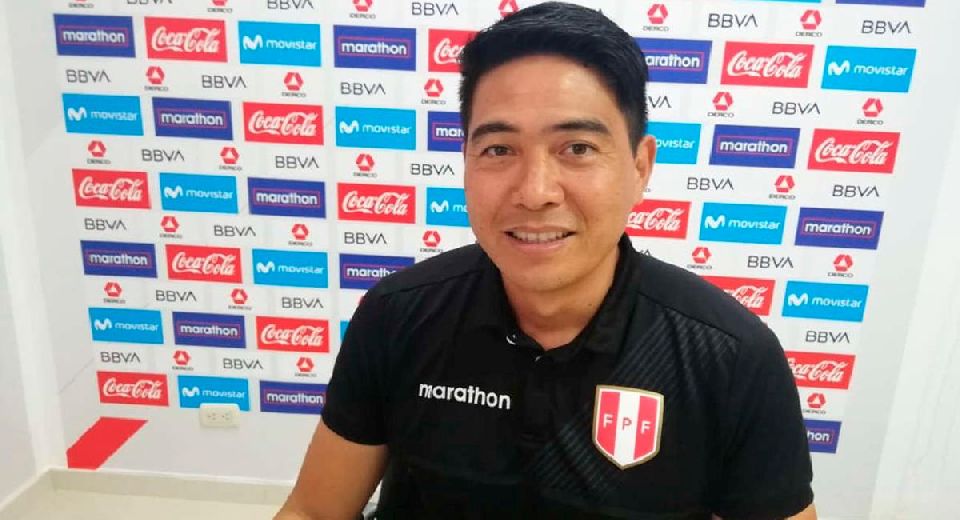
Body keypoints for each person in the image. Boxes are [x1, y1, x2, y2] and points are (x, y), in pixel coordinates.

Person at [275, 2, 816, 519]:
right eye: (499, 149)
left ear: (640, 168)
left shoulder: (730, 359)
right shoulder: (397, 315)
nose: (535, 192)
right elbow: (313, 510)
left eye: (577, 148)